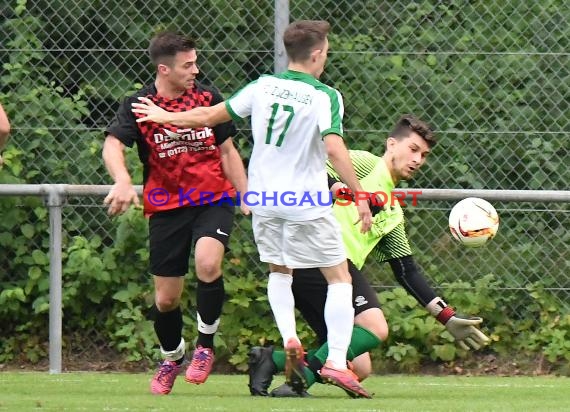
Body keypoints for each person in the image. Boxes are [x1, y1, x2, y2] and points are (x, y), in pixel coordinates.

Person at [132, 20, 373, 397]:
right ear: (316, 54)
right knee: (338, 278)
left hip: (264, 200)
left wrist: (167, 118)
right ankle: (337, 362)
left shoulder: (262, 86)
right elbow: (334, 148)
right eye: (325, 51)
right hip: (304, 201)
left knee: (280, 271)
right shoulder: (326, 95)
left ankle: (290, 337)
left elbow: (209, 116)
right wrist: (359, 195)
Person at [247, 114, 491, 397]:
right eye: (413, 149)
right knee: (374, 326)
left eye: (423, 155)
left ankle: (269, 360)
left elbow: (406, 271)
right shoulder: (365, 164)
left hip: (331, 277)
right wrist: (342, 189)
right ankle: (296, 384)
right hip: (312, 253)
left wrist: (446, 316)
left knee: (359, 366)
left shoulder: (393, 212)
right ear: (391, 144)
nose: (418, 159)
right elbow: (309, 167)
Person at [102, 31, 248, 395]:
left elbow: (228, 152)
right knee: (166, 299)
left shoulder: (208, 99)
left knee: (208, 264)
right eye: (188, 65)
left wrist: (246, 195)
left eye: (196, 62)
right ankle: (171, 357)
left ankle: (205, 346)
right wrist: (122, 180)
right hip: (166, 207)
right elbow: (112, 145)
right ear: (164, 69)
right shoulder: (138, 104)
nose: (195, 70)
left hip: (212, 198)